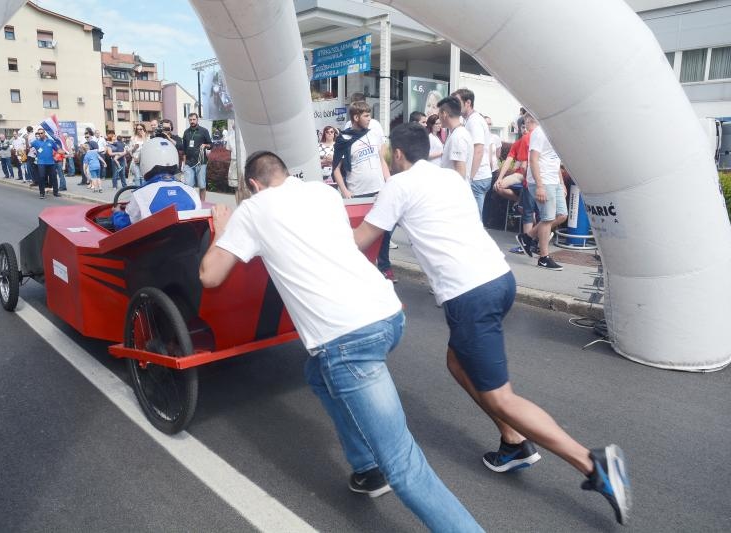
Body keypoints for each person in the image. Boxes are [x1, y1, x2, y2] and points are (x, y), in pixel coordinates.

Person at [353, 123, 632, 526]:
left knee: (501, 396)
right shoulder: (449, 177)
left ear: (397, 155)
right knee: (457, 362)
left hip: (469, 296)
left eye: (387, 154)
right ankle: (514, 442)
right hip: (498, 281)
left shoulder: (399, 185)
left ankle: (594, 464)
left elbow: (362, 239)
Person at [199, 150, 484, 533]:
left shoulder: (252, 211)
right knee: (317, 373)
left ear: (252, 184)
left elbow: (210, 276)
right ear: (285, 172)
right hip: (388, 315)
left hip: (348, 341)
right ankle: (365, 467)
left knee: (403, 465)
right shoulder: (323, 193)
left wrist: (221, 230)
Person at [332, 100, 396, 282]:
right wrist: (345, 191)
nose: (369, 119)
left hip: (379, 191)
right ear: (356, 117)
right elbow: (336, 168)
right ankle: (358, 272)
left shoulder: (374, 134)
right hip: (357, 195)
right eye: (366, 116)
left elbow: (382, 160)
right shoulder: (343, 139)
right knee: (360, 237)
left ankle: (384, 267)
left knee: (384, 234)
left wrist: (388, 181)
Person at [111, 137, 202, 230]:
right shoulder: (192, 191)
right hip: (188, 242)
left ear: (145, 160)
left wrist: (117, 213)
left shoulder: (140, 194)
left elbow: (123, 226)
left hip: (151, 243)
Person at [516, 117, 568, 270]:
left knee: (562, 215)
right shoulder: (539, 132)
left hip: (554, 181)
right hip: (543, 181)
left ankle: (528, 236)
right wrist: (539, 186)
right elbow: (533, 159)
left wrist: (562, 183)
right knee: (547, 218)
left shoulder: (555, 133)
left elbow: (555, 161)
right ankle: (543, 258)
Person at [453, 89, 494, 218]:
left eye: (457, 102)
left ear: (468, 103)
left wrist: (469, 177)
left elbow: (479, 150)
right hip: (479, 175)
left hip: (477, 177)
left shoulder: (474, 121)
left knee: (473, 218)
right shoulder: (470, 120)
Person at [436, 96, 473, 182]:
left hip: (455, 192)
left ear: (444, 114)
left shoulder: (458, 137)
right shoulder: (457, 133)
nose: (439, 118)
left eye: (439, 115)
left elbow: (460, 173)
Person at [182, 112, 213, 201]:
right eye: (190, 120)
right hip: (189, 163)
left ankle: (202, 203)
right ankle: (192, 203)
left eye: (194, 119)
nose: (192, 121)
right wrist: (184, 164)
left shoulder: (204, 131)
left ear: (197, 120)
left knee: (202, 185)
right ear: (188, 120)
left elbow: (211, 145)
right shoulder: (186, 132)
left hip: (201, 162)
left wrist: (205, 145)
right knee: (188, 185)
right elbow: (184, 149)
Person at [30, 127, 63, 199]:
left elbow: (57, 150)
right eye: (39, 133)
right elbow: (28, 146)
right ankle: (42, 193)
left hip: (51, 163)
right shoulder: (36, 142)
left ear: (44, 133)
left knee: (54, 177)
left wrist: (66, 153)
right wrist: (27, 139)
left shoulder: (50, 141)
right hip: (41, 163)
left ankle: (55, 192)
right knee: (41, 177)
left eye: (41, 133)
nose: (40, 134)